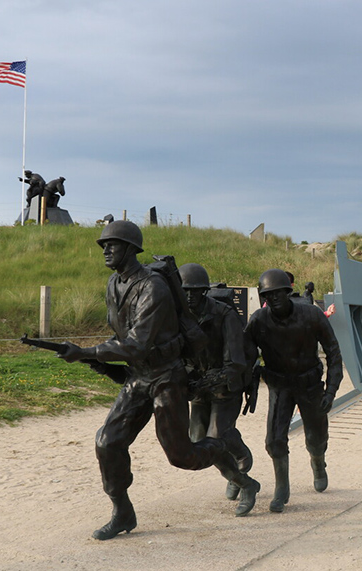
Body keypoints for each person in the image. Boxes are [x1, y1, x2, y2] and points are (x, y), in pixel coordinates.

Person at [57, 221, 260, 540]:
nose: (106, 249)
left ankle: (234, 467)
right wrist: (96, 357)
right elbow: (120, 333)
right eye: (103, 245)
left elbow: (137, 342)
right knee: (107, 441)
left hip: (167, 377)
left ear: (131, 249)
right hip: (139, 376)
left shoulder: (153, 286)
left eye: (113, 244)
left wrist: (86, 352)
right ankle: (122, 512)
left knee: (182, 456)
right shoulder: (113, 284)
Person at [245, 268, 343, 513]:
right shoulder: (258, 321)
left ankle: (318, 463)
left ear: (288, 292)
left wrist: (330, 392)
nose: (274, 298)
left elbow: (333, 353)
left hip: (309, 384)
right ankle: (282, 489)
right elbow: (243, 356)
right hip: (279, 385)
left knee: (316, 438)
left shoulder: (311, 315)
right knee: (274, 441)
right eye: (269, 294)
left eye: (279, 293)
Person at [179, 263, 255, 502]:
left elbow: (236, 362)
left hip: (226, 386)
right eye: (185, 291)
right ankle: (237, 467)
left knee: (215, 437)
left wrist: (212, 379)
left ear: (205, 291)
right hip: (199, 388)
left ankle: (242, 469)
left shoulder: (224, 314)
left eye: (195, 290)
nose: (189, 296)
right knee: (197, 440)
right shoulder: (179, 317)